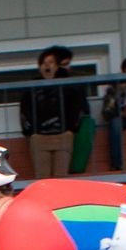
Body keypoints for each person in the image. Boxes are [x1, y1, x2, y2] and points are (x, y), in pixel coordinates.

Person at [18, 46, 88, 178]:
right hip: (40, 137)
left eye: (50, 63)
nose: (47, 66)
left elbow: (77, 108)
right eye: (43, 63)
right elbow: (24, 110)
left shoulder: (68, 86)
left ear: (57, 66)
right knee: (42, 178)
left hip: (63, 135)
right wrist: (31, 132)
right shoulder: (32, 87)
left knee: (61, 177)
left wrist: (71, 129)